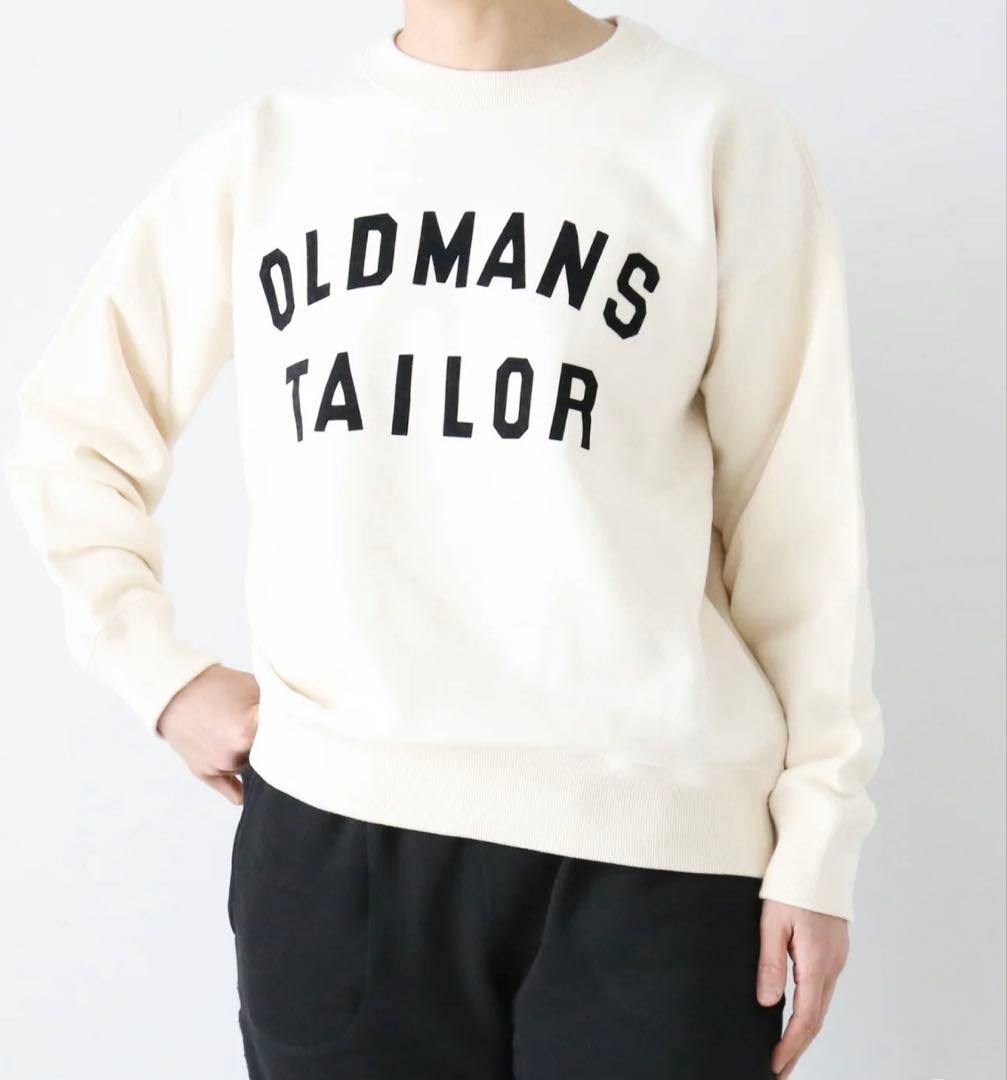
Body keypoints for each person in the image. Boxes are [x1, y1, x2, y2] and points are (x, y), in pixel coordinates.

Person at [4, 2, 884, 1077]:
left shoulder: (715, 135)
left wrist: (819, 830)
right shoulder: (271, 151)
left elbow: (797, 520)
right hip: (339, 842)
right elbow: (74, 431)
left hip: (657, 850)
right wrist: (160, 676)